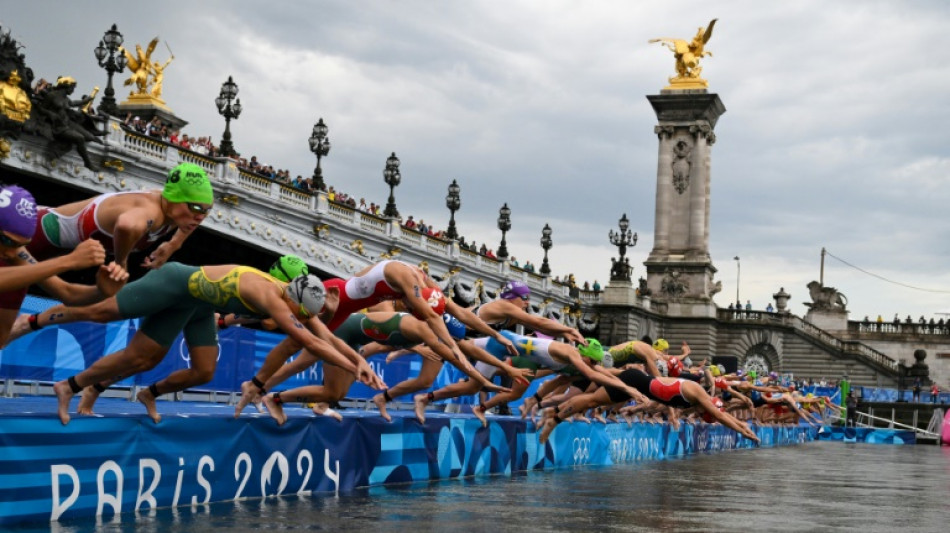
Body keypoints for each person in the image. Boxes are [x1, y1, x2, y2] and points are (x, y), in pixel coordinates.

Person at [12, 267, 384, 425]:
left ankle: (130, 393)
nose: (302, 319)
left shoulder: (294, 297)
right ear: (295, 301)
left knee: (203, 370)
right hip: (174, 284)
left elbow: (327, 336)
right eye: (301, 315)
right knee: (102, 313)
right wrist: (354, 367)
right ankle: (30, 322)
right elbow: (308, 340)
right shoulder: (270, 296)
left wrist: (358, 362)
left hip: (198, 306)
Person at [235, 259, 518, 416]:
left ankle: (263, 389)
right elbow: (442, 334)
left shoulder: (425, 285)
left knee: (316, 367)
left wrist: (496, 335)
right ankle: (257, 384)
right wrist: (478, 377)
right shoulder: (409, 287)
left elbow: (458, 314)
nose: (409, 308)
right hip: (334, 300)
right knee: (293, 341)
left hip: (346, 313)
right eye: (413, 307)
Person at [0, 184, 128, 346]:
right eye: (6, 241)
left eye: (20, 244)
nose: (11, 253)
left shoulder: (15, 252)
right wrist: (69, 261)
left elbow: (67, 293)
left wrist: (101, 291)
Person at [28, 162, 212, 271]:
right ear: (174, 199)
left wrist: (174, 244)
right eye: (196, 208)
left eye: (207, 209)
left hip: (50, 249)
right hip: (31, 232)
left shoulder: (179, 213)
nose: (201, 217)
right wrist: (120, 263)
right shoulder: (150, 211)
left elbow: (191, 217)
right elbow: (127, 225)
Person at [539, 367, 760, 444]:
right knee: (592, 399)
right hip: (635, 381)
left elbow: (723, 415)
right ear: (707, 408)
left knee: (593, 394)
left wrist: (744, 427)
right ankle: (553, 418)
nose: (702, 416)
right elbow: (721, 417)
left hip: (639, 381)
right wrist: (744, 432)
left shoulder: (703, 400)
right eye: (705, 415)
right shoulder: (699, 395)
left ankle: (553, 414)